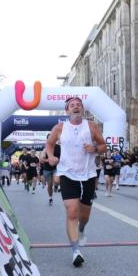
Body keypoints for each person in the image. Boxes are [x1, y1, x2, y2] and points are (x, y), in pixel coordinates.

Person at [47, 96, 106, 267]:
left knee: (84, 216)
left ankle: (81, 230)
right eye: (72, 105)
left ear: (83, 109)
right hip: (67, 174)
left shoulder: (91, 126)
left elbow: (103, 146)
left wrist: (94, 148)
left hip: (88, 175)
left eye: (78, 105)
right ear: (67, 110)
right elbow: (49, 144)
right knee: (72, 212)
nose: (75, 107)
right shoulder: (59, 128)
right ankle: (75, 251)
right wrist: (51, 157)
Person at [39, 135, 60, 206]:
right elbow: (41, 159)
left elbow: (62, 158)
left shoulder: (59, 147)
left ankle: (56, 186)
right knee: (50, 185)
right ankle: (50, 198)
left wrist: (57, 160)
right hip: (47, 169)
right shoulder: (45, 148)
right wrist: (48, 160)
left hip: (56, 168)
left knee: (57, 181)